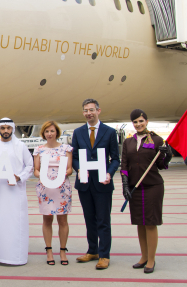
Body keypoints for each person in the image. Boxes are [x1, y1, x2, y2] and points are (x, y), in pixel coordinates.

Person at [120, 109, 172, 274]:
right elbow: (124, 165)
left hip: (153, 186)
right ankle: (143, 257)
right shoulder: (128, 142)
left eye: (141, 121)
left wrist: (168, 156)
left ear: (147, 121)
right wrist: (125, 185)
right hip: (135, 187)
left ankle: (151, 259)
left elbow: (161, 165)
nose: (138, 124)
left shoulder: (157, 140)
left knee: (150, 223)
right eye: (135, 122)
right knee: (140, 223)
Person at [72, 99, 120, 270]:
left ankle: (104, 255)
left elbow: (115, 159)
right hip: (84, 184)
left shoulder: (109, 132)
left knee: (103, 220)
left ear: (98, 111)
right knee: (89, 219)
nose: (88, 113)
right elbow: (75, 157)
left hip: (102, 183)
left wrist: (109, 173)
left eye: (91, 110)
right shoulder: (78, 132)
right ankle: (92, 251)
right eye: (86, 110)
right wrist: (78, 169)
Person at [0, 118, 33, 265]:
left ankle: (16, 257)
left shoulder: (21, 146)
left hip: (15, 191)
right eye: (3, 128)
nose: (6, 131)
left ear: (12, 129)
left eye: (8, 128)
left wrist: (20, 177)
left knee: (15, 223)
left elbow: (30, 166)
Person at [33, 121, 73, 266]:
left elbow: (70, 169)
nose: (49, 134)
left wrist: (60, 176)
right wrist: (43, 177)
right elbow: (36, 170)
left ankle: (63, 251)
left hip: (61, 188)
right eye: (47, 131)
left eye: (52, 131)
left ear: (57, 132)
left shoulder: (66, 149)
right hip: (46, 189)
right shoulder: (39, 150)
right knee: (47, 220)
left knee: (63, 221)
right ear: (43, 134)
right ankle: (49, 251)